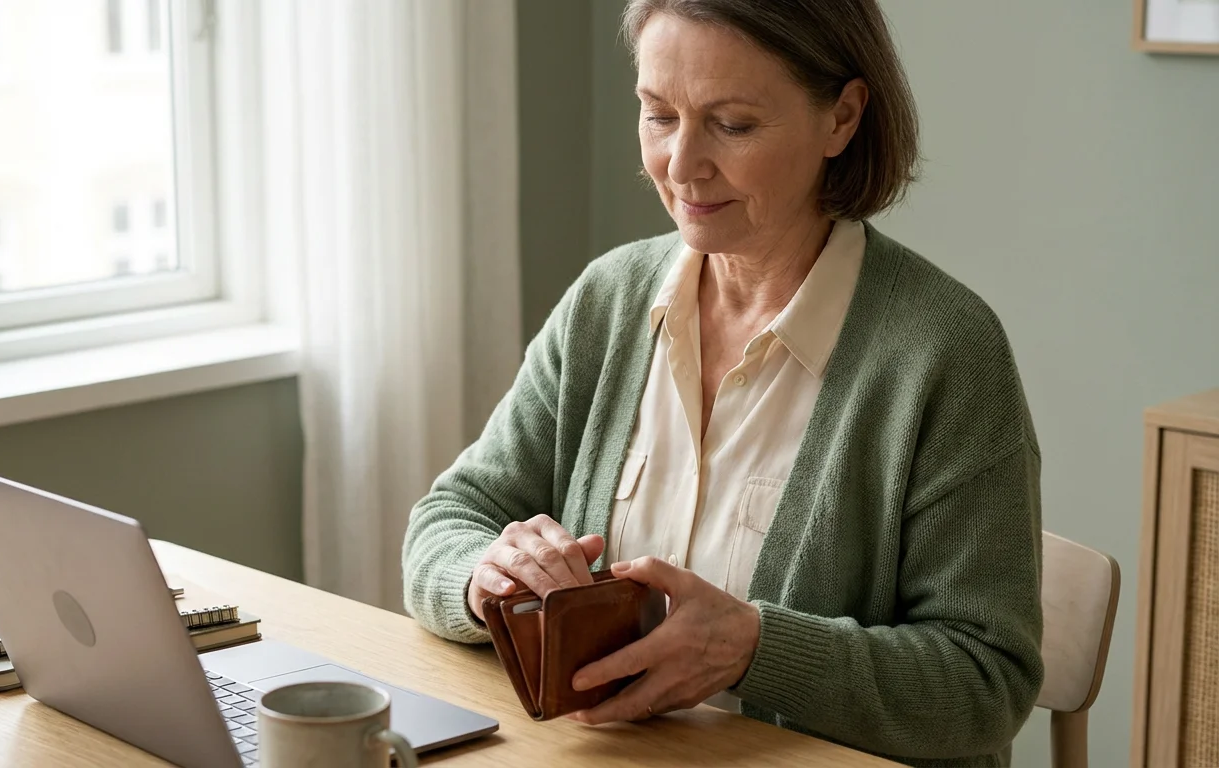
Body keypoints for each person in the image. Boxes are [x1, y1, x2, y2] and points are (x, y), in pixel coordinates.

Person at [402, 1, 1043, 764]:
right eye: (658, 114)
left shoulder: (945, 352)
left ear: (841, 118)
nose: (680, 165)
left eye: (732, 124)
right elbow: (451, 515)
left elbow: (985, 683)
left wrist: (754, 649)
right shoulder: (608, 300)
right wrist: (488, 574)